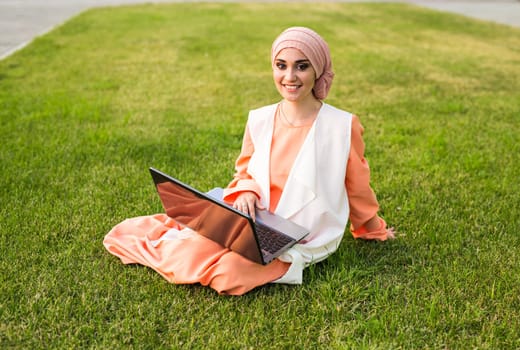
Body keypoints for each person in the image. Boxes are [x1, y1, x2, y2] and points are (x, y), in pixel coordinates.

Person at [103, 26, 394, 296]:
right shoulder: (260, 118)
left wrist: (370, 228)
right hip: (257, 218)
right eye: (281, 66)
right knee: (191, 249)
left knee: (229, 274)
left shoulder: (342, 126)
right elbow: (244, 171)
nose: (289, 77)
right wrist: (245, 191)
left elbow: (357, 186)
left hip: (301, 233)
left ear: (318, 69)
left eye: (301, 66)